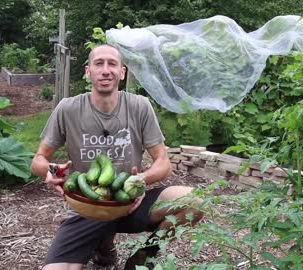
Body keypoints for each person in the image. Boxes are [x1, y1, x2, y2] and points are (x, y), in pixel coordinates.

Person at [30, 44, 204, 270]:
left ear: (122, 73)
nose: (105, 70)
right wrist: (52, 171)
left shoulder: (139, 106)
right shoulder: (68, 109)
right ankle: (104, 247)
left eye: (112, 64)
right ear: (87, 71)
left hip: (128, 203)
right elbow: (38, 160)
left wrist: (141, 180)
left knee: (194, 201)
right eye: (98, 63)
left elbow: (163, 162)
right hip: (86, 207)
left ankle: (143, 256)